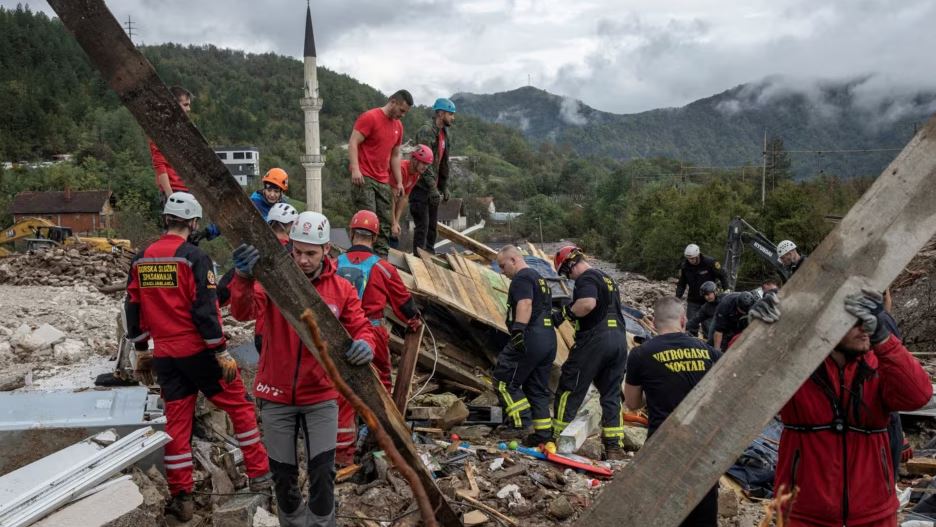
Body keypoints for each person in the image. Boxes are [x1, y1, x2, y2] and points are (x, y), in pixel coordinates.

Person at [124, 192, 271, 521]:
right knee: (241, 407)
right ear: (193, 222)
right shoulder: (194, 258)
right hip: (199, 351)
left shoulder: (141, 258)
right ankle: (260, 474)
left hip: (165, 355)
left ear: (165, 219)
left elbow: (132, 306)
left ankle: (182, 497)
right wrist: (220, 350)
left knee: (177, 423)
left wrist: (140, 346)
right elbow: (205, 309)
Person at [228, 211, 377, 527]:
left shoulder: (341, 290)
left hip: (320, 397)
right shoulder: (274, 283)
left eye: (310, 253)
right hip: (275, 394)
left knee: (322, 471)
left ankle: (322, 525)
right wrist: (242, 278)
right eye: (297, 252)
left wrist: (367, 345)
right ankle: (293, 523)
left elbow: (361, 327)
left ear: (326, 250)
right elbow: (242, 312)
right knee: (283, 475)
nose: (303, 260)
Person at [766, 289, 932, 526]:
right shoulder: (796, 368)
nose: (864, 328)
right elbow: (740, 379)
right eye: (854, 321)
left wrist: (884, 339)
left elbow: (919, 395)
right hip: (803, 513)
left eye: (868, 320)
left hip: (874, 513)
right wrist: (760, 333)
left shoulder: (878, 364)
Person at [625, 296, 722, 526]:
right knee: (704, 515)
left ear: (654, 322)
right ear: (683, 319)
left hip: (661, 443)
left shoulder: (640, 354)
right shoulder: (709, 352)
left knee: (659, 512)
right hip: (702, 445)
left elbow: (632, 404)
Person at [335, 210, 422, 464]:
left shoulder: (334, 264)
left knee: (341, 388)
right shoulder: (383, 269)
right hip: (371, 332)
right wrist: (414, 321)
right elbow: (403, 303)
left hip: (337, 331)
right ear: (374, 237)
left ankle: (342, 454)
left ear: (352, 234)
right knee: (380, 383)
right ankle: (379, 438)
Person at [551, 245, 629, 460]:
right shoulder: (608, 279)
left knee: (570, 385)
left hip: (596, 340)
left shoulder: (586, 278)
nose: (570, 279)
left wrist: (563, 314)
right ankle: (614, 447)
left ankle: (557, 437)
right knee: (611, 393)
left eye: (567, 274)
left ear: (570, 265)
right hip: (619, 340)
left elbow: (586, 304)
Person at [493, 245, 557, 446]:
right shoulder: (539, 278)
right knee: (536, 387)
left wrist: (518, 331)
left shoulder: (522, 277)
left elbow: (525, 303)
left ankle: (521, 425)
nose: (503, 271)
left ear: (514, 259)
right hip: (548, 338)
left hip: (531, 335)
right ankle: (543, 433)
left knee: (503, 381)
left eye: (503, 266)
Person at [349, 90, 413, 257]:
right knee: (367, 220)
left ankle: (382, 260)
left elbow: (395, 154)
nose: (403, 115)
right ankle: (362, 255)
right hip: (365, 177)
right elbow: (353, 141)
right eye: (401, 110)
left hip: (382, 178)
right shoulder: (370, 117)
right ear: (393, 102)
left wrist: (399, 181)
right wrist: (355, 168)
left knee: (385, 222)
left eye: (405, 112)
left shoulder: (398, 126)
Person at [411, 98, 455, 255]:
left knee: (432, 226)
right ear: (440, 113)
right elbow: (423, 162)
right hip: (420, 186)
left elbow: (443, 162)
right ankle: (418, 258)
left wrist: (444, 186)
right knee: (422, 225)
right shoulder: (427, 130)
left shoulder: (444, 133)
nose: (453, 118)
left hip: (433, 188)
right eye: (450, 114)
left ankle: (429, 255)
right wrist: (432, 187)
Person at [149, 86, 192, 198]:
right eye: (185, 104)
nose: (189, 109)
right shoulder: (160, 129)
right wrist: (170, 195)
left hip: (190, 189)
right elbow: (159, 163)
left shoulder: (183, 129)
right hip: (174, 190)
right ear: (174, 104)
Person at [391, 145, 433, 249]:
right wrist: (393, 223)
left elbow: (404, 198)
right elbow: (391, 198)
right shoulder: (401, 169)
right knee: (388, 236)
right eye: (423, 162)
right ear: (414, 160)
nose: (425, 166)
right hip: (386, 204)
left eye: (427, 164)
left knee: (394, 236)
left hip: (393, 206)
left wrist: (396, 220)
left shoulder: (416, 174)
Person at [676, 244, 728, 322]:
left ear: (698, 255)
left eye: (693, 258)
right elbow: (682, 283)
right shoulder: (685, 267)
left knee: (708, 326)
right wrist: (677, 297)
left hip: (709, 300)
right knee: (691, 325)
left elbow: (722, 276)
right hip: (693, 300)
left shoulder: (710, 262)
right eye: (689, 258)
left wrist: (726, 289)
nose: (691, 261)